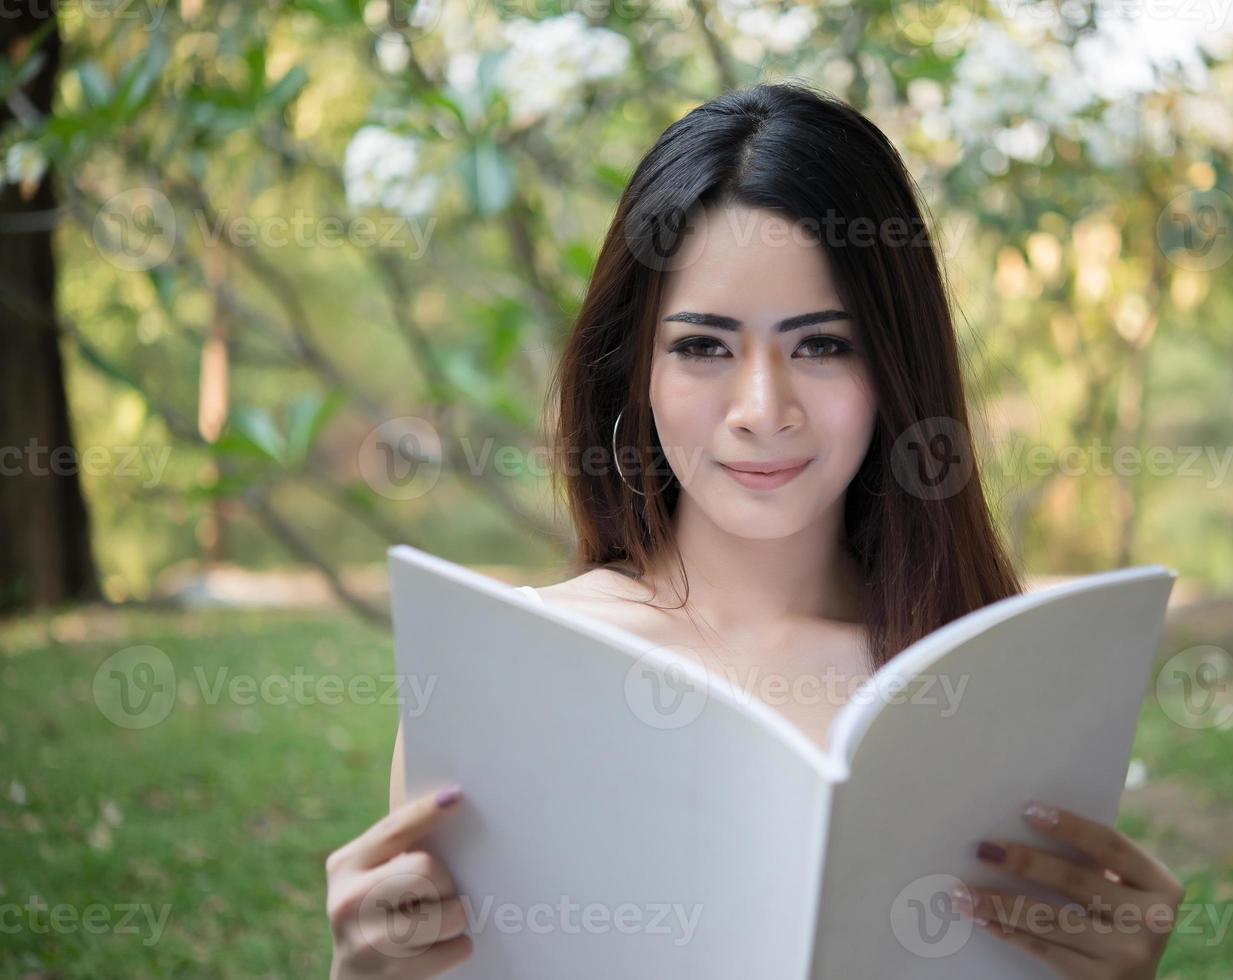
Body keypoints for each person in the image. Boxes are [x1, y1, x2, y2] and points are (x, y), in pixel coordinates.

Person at [325, 80, 1184, 979]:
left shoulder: (998, 687)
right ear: (637, 371)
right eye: (703, 346)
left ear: (895, 368)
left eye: (821, 345)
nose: (762, 409)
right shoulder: (502, 674)